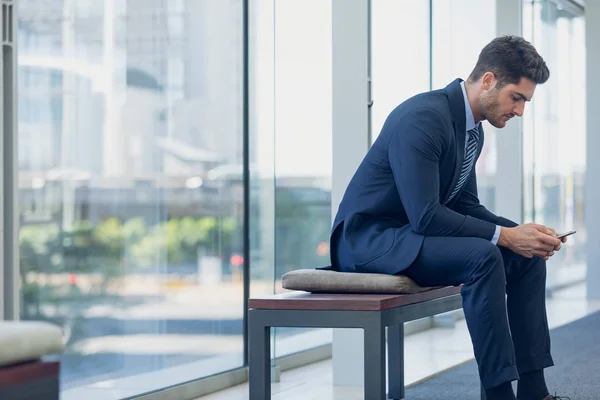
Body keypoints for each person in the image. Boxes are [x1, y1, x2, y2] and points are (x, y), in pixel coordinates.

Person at [329, 36, 569, 400]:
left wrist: (521, 234)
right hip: (370, 241)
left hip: (410, 235)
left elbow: (465, 205)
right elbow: (426, 215)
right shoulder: (424, 118)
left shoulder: (470, 128)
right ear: (488, 81)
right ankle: (499, 393)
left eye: (525, 101)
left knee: (527, 258)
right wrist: (504, 237)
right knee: (484, 256)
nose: (520, 111)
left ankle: (535, 392)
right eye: (516, 98)